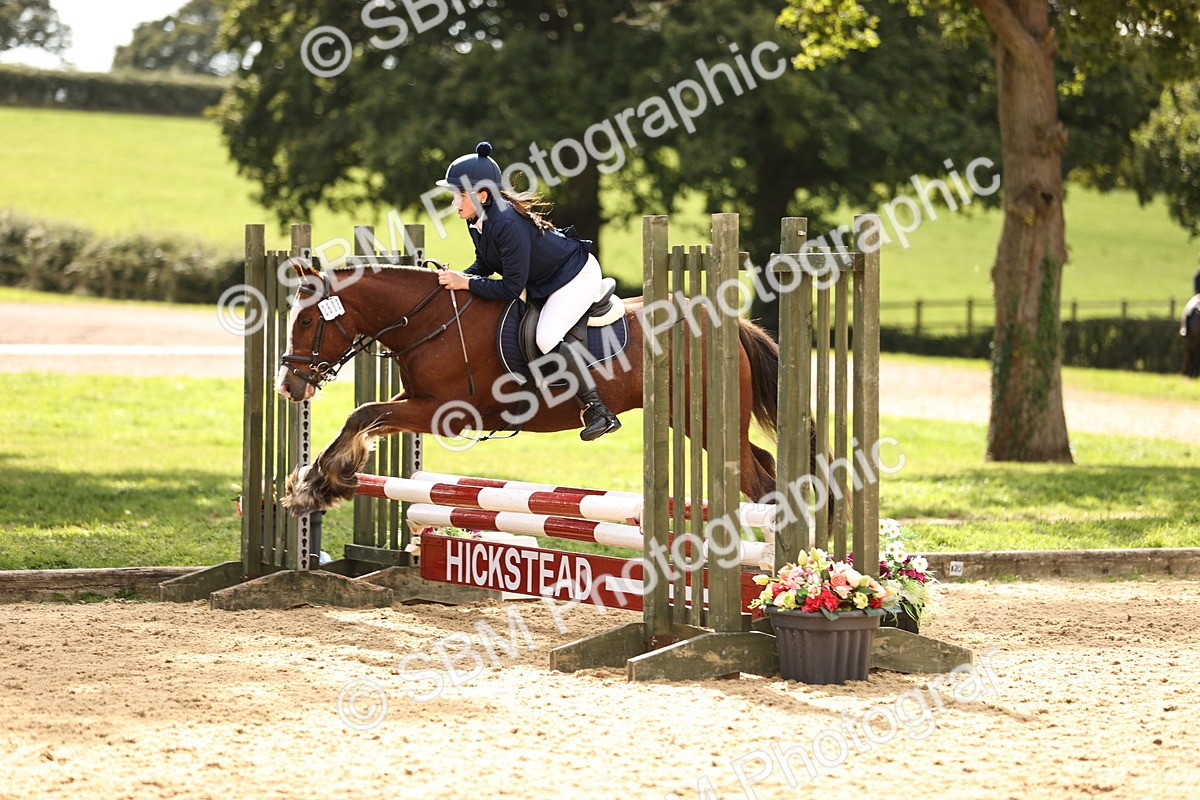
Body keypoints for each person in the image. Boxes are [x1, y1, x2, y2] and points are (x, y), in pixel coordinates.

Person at [434, 141, 621, 441]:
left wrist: (465, 283)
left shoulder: (506, 222)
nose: (455, 202)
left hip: (574, 276)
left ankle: (598, 409)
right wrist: (456, 278)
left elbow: (511, 287)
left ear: (482, 195)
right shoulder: (477, 220)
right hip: (546, 280)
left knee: (545, 337)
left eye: (459, 195)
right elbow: (484, 263)